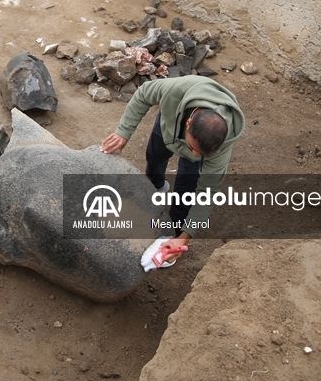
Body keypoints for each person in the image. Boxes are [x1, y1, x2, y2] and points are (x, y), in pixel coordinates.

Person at [101, 73, 245, 265]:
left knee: (187, 190)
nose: (194, 155)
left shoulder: (219, 148)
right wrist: (124, 131)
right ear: (188, 124)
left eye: (201, 154)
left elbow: (208, 194)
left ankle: (172, 234)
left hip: (190, 135)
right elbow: (143, 93)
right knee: (155, 156)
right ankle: (156, 186)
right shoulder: (175, 91)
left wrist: (185, 236)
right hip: (170, 120)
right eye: (193, 148)